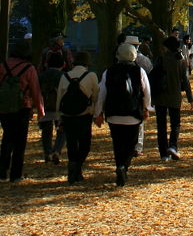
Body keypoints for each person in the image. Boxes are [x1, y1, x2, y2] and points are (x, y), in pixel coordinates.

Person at [95, 42, 151, 186]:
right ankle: (124, 167)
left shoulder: (109, 71)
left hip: (114, 114)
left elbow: (102, 93)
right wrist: (146, 108)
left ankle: (119, 165)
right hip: (133, 113)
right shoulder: (139, 71)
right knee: (131, 143)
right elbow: (146, 92)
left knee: (117, 142)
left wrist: (98, 112)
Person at [0, 40, 44, 182]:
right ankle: (16, 174)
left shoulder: (3, 65)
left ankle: (2, 172)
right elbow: (35, 90)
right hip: (22, 107)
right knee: (20, 142)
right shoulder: (29, 68)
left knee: (7, 138)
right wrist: (40, 109)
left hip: (4, 107)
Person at [57, 50, 99, 183]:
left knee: (71, 143)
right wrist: (97, 113)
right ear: (87, 63)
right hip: (84, 115)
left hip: (68, 115)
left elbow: (60, 97)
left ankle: (73, 166)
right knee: (85, 144)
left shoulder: (65, 76)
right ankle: (78, 167)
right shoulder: (91, 75)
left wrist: (59, 117)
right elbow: (96, 97)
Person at [151, 35, 193, 161]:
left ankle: (163, 153)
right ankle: (173, 146)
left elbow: (154, 76)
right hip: (175, 95)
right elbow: (185, 81)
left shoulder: (161, 59)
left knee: (161, 125)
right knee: (175, 123)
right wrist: (190, 98)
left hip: (160, 96)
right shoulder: (181, 61)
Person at [38, 50, 67, 163]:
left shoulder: (41, 76)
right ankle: (57, 150)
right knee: (62, 130)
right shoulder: (64, 76)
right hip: (59, 108)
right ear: (63, 64)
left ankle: (47, 152)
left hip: (44, 106)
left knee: (46, 131)